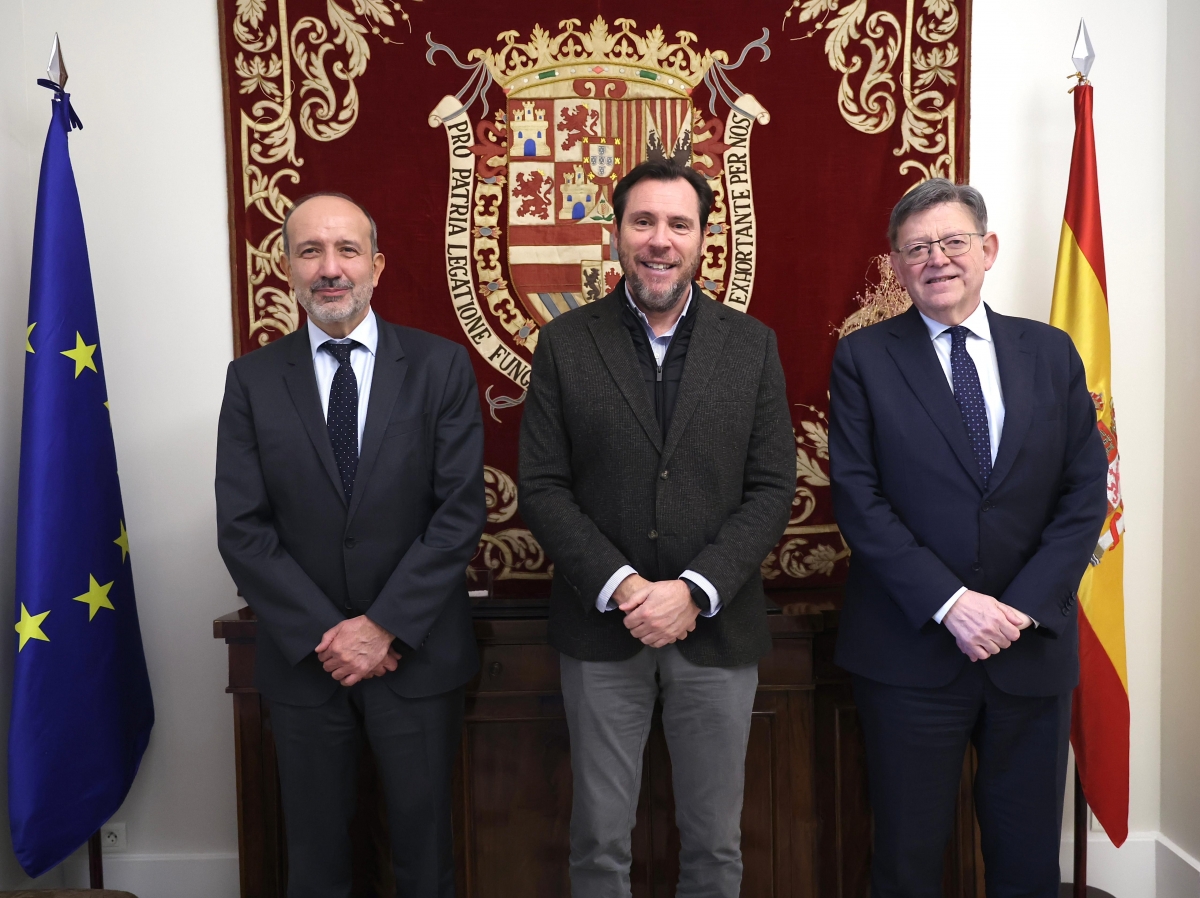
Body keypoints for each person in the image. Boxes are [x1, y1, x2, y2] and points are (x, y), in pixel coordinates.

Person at [518, 160, 796, 898]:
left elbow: (772, 488)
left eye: (679, 224)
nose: (660, 240)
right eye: (643, 222)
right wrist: (625, 587)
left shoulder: (752, 344)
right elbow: (542, 487)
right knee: (600, 842)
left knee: (714, 844)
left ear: (705, 239)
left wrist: (694, 590)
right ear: (615, 235)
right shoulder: (566, 343)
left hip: (718, 626)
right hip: (601, 627)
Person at [828, 178, 1109, 897]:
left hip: (1030, 647)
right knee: (907, 860)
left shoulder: (1051, 353)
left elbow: (1085, 493)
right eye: (917, 248)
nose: (937, 259)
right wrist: (954, 604)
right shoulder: (863, 360)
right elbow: (860, 502)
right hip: (910, 653)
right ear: (896, 267)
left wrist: (1019, 607)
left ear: (987, 250)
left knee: (1027, 863)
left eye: (953, 242)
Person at [215, 192, 485, 898]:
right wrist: (329, 636)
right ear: (287, 267)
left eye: (346, 251)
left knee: (425, 864)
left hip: (417, 657)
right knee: (316, 865)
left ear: (377, 265)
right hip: (306, 665)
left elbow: (457, 512)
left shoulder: (441, 367)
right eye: (310, 251)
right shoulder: (250, 381)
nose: (329, 268)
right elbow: (243, 527)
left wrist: (382, 626)